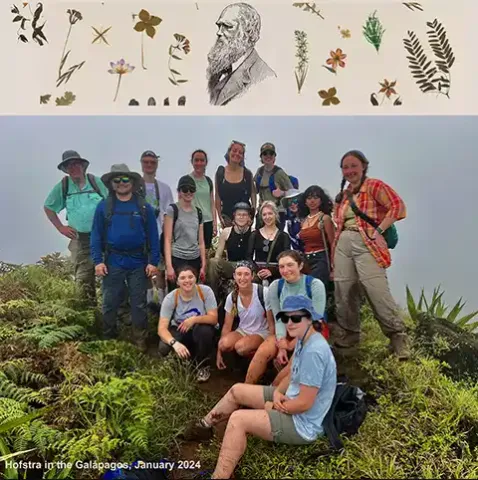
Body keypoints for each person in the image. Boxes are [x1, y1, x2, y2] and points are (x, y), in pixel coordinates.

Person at [183, 295, 337, 480]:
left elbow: (304, 404)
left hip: (303, 424)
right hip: (289, 397)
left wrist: (275, 407)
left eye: (296, 318)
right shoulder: (304, 339)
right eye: (286, 318)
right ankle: (204, 426)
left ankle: (219, 476)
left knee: (238, 419)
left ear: (310, 318)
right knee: (237, 390)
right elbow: (292, 374)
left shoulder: (314, 352)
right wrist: (278, 392)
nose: (290, 323)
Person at [331, 149, 410, 359]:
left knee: (376, 288)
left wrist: (379, 231)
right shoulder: (344, 195)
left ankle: (398, 337)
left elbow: (398, 206)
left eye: (353, 166)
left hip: (366, 241)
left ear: (363, 166)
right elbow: (338, 226)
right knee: (343, 288)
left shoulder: (374, 185)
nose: (349, 171)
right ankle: (350, 334)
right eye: (345, 167)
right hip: (343, 244)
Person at [90, 164, 160, 350]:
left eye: (125, 179)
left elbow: (154, 236)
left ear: (133, 182)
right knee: (110, 301)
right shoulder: (104, 207)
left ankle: (140, 339)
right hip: (113, 260)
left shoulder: (145, 207)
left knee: (139, 303)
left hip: (138, 261)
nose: (121, 183)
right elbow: (96, 235)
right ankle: (109, 339)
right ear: (112, 184)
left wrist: (153, 262)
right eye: (117, 180)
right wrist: (97, 261)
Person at [245, 250, 326, 385]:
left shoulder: (315, 285)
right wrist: (282, 344)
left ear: (300, 266)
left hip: (311, 332)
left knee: (294, 362)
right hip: (286, 329)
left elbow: (316, 320)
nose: (285, 270)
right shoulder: (276, 286)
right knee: (263, 351)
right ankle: (246, 390)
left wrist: (291, 345)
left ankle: (271, 393)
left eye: (290, 265)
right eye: (281, 267)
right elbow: (278, 318)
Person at [43, 150, 108, 305]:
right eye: (69, 165)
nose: (73, 168)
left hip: (103, 236)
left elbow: (111, 203)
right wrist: (61, 228)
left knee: (110, 275)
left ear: (82, 166)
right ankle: (90, 316)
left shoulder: (95, 182)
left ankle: (114, 317)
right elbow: (48, 207)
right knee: (83, 279)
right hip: (79, 239)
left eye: (76, 164)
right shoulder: (64, 186)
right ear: (65, 169)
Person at [207, 3, 276, 106]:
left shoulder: (266, 77)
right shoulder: (218, 67)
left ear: (248, 32)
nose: (219, 32)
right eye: (219, 26)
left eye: (228, 26)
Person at [158, 265, 218, 382]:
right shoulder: (171, 298)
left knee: (204, 332)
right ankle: (182, 360)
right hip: (181, 330)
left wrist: (194, 320)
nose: (187, 281)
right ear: (177, 282)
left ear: (196, 279)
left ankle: (202, 365)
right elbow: (161, 328)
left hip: (200, 329)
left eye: (191, 277)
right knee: (164, 346)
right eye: (183, 278)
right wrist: (174, 343)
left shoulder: (205, 291)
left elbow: (213, 318)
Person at [217, 261, 270, 371]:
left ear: (252, 276)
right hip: (243, 330)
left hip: (262, 331)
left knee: (241, 347)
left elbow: (272, 322)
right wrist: (219, 353)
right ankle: (239, 364)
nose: (242, 278)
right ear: (234, 276)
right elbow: (227, 325)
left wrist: (273, 344)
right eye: (239, 274)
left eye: (246, 274)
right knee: (223, 344)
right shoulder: (233, 297)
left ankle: (258, 365)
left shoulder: (263, 292)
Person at [139, 150, 174, 303]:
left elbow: (169, 214)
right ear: (141, 164)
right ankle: (146, 303)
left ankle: (162, 303)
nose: (149, 165)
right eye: (146, 162)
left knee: (159, 270)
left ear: (157, 165)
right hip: (138, 235)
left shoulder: (164, 188)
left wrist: (168, 236)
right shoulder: (134, 187)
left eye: (152, 162)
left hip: (159, 234)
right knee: (142, 270)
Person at [163, 175, 207, 293]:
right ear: (179, 191)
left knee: (192, 294)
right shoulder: (172, 210)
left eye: (191, 189)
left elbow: (201, 241)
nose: (188, 192)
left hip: (194, 259)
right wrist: (169, 266)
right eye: (185, 189)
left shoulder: (198, 212)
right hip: (177, 258)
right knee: (175, 295)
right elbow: (167, 239)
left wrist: (203, 265)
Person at [207, 202, 253, 300]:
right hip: (232, 265)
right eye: (238, 215)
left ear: (249, 217)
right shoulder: (226, 232)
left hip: (248, 265)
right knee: (213, 262)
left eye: (244, 215)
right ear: (234, 216)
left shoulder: (254, 232)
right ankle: (212, 297)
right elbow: (217, 256)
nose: (241, 217)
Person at [298, 185, 335, 286]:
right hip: (306, 261)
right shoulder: (303, 221)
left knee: (316, 290)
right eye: (309, 198)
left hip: (321, 260)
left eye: (315, 197)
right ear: (305, 201)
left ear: (321, 200)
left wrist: (334, 267)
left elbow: (333, 244)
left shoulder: (325, 219)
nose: (312, 201)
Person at [246, 201, 290, 285]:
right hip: (258, 275)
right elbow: (248, 257)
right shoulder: (254, 235)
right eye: (264, 214)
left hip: (278, 275)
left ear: (275, 215)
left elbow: (286, 259)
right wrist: (257, 271)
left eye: (270, 213)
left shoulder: (284, 236)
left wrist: (272, 271)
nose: (267, 217)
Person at [215, 141, 256, 228]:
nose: (237, 154)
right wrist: (219, 217)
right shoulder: (220, 173)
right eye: (234, 150)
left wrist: (253, 213)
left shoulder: (247, 174)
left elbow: (253, 193)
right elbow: (217, 196)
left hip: (244, 217)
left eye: (240, 153)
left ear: (242, 157)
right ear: (229, 152)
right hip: (227, 218)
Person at [254, 143, 293, 230]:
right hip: (262, 212)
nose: (268, 156)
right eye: (265, 154)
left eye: (271, 153)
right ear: (261, 157)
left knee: (276, 240)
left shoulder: (279, 173)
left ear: (274, 157)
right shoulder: (259, 172)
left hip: (277, 212)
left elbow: (292, 192)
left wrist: (282, 192)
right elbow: (254, 190)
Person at [189, 149, 217, 253]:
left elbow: (212, 202)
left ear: (206, 162)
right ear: (192, 162)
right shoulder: (187, 180)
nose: (199, 163)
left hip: (207, 222)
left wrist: (215, 223)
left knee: (205, 254)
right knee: (192, 253)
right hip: (192, 222)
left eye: (202, 160)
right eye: (196, 160)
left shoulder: (208, 181)